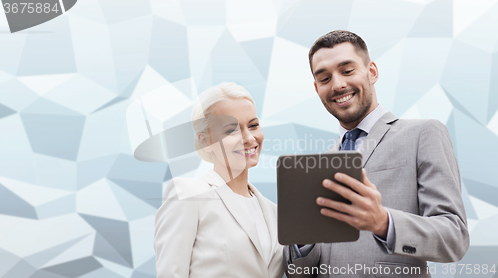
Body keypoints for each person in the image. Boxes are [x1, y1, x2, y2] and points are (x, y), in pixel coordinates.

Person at [283, 30, 469, 277]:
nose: (338, 84)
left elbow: (454, 238)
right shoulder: (317, 167)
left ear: (372, 72)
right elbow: (299, 272)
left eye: (347, 71)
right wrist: (302, 241)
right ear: (317, 88)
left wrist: (383, 222)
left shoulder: (423, 133)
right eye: (325, 78)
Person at [154, 82, 284, 278]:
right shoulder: (189, 195)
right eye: (232, 130)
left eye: (253, 125)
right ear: (205, 141)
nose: (249, 138)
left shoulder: (273, 212)